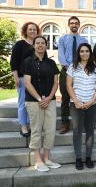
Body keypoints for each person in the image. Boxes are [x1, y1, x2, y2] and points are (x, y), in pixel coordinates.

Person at [23, 36, 61, 172]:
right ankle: (38, 161)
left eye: (43, 43)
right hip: (34, 102)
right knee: (36, 130)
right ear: (34, 46)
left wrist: (50, 97)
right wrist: (40, 99)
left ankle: (46, 158)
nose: (40, 45)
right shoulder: (27, 62)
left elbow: (56, 82)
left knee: (50, 130)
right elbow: (27, 83)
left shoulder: (51, 63)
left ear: (46, 45)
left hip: (49, 101)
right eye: (37, 43)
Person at [66, 43, 96, 170]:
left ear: (90, 52)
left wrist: (92, 101)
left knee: (90, 131)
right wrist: (76, 101)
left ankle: (88, 157)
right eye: (82, 51)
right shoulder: (72, 67)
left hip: (92, 104)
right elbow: (69, 85)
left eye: (87, 51)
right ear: (78, 53)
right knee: (77, 131)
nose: (84, 53)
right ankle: (78, 158)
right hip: (76, 104)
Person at [58, 16, 88, 134]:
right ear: (69, 25)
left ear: (79, 25)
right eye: (72, 23)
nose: (74, 25)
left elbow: (86, 55)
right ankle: (65, 123)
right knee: (65, 97)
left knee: (81, 96)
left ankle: (80, 123)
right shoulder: (63, 39)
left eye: (76, 23)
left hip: (80, 71)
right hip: (66, 71)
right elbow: (61, 54)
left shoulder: (84, 40)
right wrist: (68, 68)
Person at [10, 22, 40, 137]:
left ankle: (31, 124)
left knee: (32, 103)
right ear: (25, 31)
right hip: (22, 78)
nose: (32, 31)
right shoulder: (20, 44)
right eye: (30, 29)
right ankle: (23, 126)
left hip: (35, 79)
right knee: (22, 103)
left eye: (34, 29)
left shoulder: (38, 44)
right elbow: (13, 62)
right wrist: (16, 77)